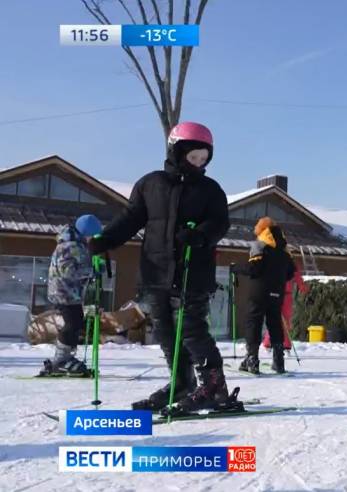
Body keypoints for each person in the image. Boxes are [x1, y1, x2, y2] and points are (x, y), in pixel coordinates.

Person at [89, 121, 233, 415]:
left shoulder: (210, 190)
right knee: (166, 332)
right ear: (177, 151)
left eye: (204, 159)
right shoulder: (150, 184)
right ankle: (181, 383)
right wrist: (106, 239)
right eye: (193, 157)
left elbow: (220, 222)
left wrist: (201, 235)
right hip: (156, 271)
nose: (198, 164)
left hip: (193, 270)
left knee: (192, 330)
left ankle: (214, 388)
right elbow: (131, 218)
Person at [232, 217, 298, 374]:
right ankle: (279, 362)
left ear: (261, 231)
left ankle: (252, 360)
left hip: (259, 291)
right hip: (277, 292)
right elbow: (290, 273)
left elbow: (254, 268)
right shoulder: (285, 251)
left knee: (253, 321)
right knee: (274, 323)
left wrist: (236, 268)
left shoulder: (260, 246)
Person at [40, 215, 103, 376]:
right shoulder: (69, 246)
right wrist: (92, 271)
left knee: (76, 321)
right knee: (73, 323)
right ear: (85, 232)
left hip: (70, 291)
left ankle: (65, 357)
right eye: (91, 235)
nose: (91, 239)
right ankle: (60, 360)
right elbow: (67, 270)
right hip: (63, 291)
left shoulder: (76, 245)